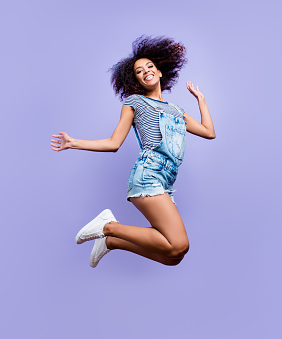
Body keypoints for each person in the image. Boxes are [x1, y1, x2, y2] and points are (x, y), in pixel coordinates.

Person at [50, 36, 215, 268]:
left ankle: (112, 242)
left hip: (165, 181)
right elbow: (114, 142)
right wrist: (73, 142)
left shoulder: (177, 111)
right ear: (135, 79)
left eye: (149, 67)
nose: (145, 71)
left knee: (173, 256)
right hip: (148, 175)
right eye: (139, 71)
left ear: (159, 72)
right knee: (180, 245)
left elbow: (209, 132)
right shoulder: (134, 102)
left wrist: (201, 100)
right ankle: (109, 226)